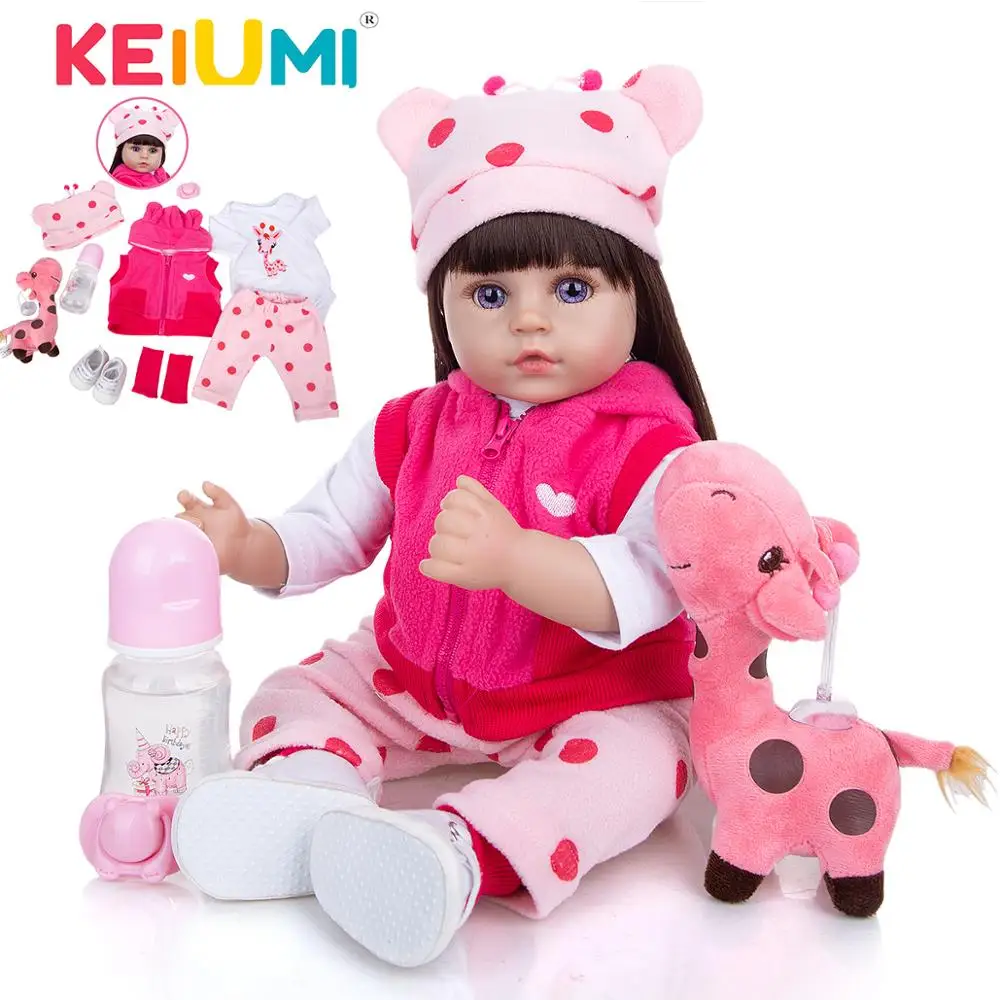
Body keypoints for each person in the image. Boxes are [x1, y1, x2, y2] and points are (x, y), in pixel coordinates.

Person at [170, 65, 716, 969]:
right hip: (411, 681)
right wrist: (249, 545)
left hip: (594, 697)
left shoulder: (654, 445)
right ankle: (312, 802)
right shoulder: (414, 425)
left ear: (638, 297)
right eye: (491, 295)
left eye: (572, 290)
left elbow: (651, 585)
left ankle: (455, 852)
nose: (530, 322)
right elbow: (329, 531)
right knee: (296, 693)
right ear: (445, 303)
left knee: (638, 766)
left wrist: (518, 561)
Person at [107, 101, 178, 188]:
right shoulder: (125, 181)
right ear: (121, 150)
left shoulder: (160, 173)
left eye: (153, 150)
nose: (144, 156)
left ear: (162, 153)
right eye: (135, 149)